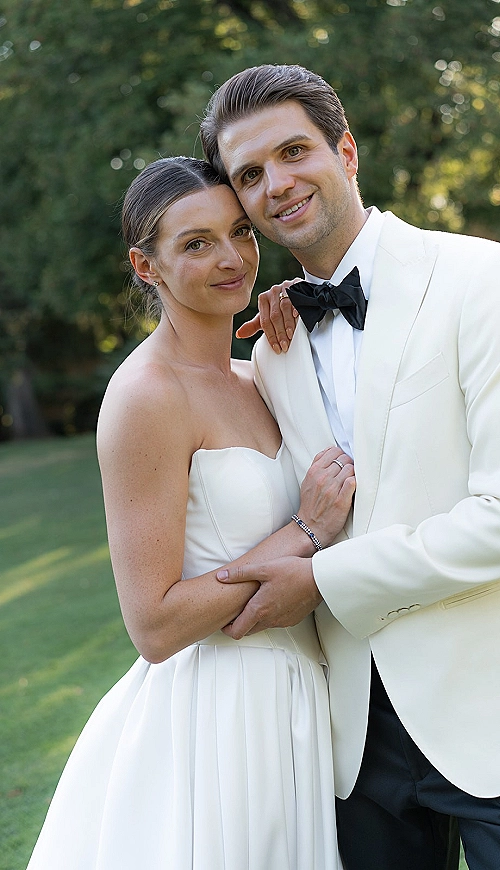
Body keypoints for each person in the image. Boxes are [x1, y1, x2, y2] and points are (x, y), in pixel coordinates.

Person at [199, 64, 500, 870]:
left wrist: (321, 580)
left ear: (346, 152)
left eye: (293, 152)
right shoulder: (274, 349)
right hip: (358, 749)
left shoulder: (485, 279)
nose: (277, 183)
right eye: (250, 175)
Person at [26, 156, 356, 870]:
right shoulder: (146, 397)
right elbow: (154, 624)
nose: (232, 258)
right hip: (218, 719)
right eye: (197, 243)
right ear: (146, 266)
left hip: (302, 699)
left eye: (240, 232)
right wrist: (303, 534)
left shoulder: (261, 371)